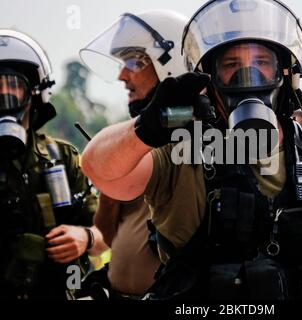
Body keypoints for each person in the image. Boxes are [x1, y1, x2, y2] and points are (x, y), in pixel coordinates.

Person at [81, 0, 302, 300]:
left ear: (285, 74)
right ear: (208, 80)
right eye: (230, 64)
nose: (248, 75)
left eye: (261, 62)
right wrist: (147, 126)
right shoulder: (179, 154)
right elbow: (100, 169)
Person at [78, 10, 188, 298]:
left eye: (133, 61)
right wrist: (111, 187)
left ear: (171, 63)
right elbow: (103, 238)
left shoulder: (202, 143)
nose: (122, 75)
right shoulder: (127, 143)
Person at [0, 30, 106, 300]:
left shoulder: (61, 157)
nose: (4, 95)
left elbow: (107, 231)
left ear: (34, 93)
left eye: (13, 85)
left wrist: (86, 238)